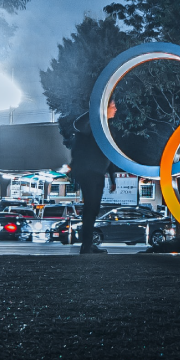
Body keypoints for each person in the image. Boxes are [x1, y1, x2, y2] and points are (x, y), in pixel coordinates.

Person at [69, 100, 118, 254]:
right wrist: (97, 109)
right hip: (88, 171)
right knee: (90, 208)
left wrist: (112, 178)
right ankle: (86, 246)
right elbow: (78, 124)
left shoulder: (106, 129)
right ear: (104, 108)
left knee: (94, 208)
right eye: (112, 106)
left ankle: (88, 244)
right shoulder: (93, 126)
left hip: (98, 173)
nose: (116, 109)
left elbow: (108, 154)